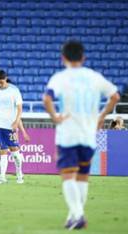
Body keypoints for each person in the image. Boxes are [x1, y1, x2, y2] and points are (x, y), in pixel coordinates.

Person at [43, 40, 120, 230]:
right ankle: (74, 215)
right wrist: (102, 116)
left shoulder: (60, 77)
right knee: (83, 176)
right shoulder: (94, 76)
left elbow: (47, 98)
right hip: (88, 134)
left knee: (68, 175)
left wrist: (55, 117)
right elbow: (115, 96)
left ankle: (77, 215)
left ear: (63, 58)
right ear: (83, 57)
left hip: (68, 134)